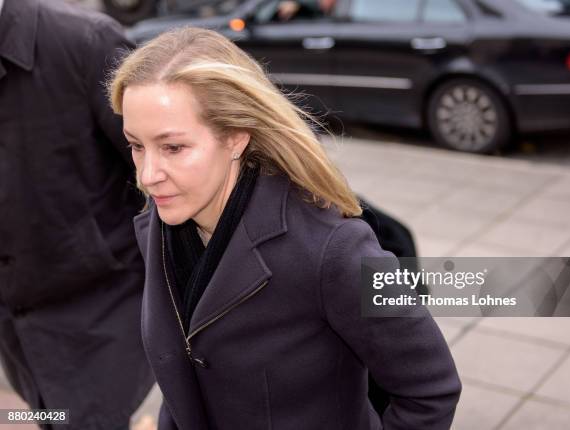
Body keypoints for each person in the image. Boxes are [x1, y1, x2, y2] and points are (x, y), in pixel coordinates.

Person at [109, 27, 461, 429]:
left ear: (237, 137)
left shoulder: (334, 249)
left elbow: (430, 388)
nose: (148, 175)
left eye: (173, 148)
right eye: (136, 145)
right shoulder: (162, 220)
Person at [0, 0, 153, 428]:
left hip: (100, 308)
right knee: (53, 416)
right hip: (18, 321)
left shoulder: (86, 43)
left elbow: (161, 175)